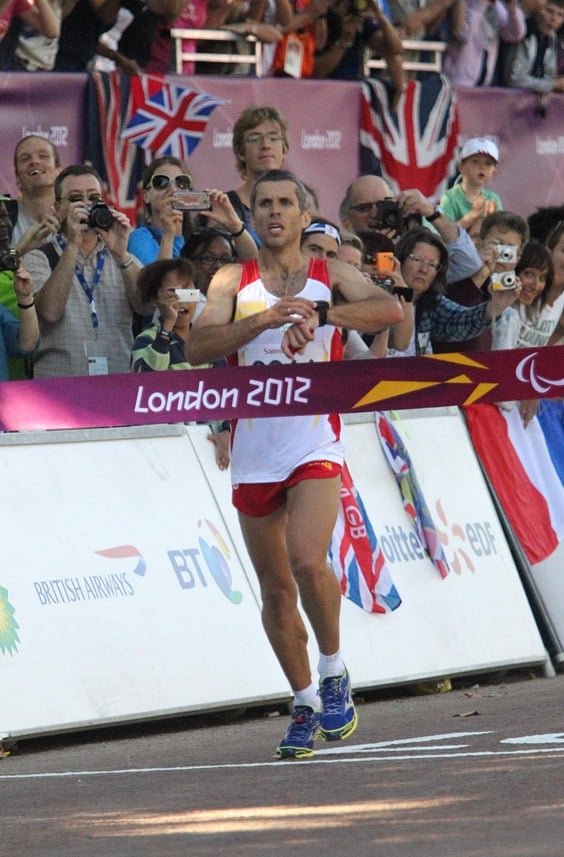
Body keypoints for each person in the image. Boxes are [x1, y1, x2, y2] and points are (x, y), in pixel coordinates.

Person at [186, 169, 403, 760]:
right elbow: (197, 347)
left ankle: (333, 670)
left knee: (308, 559)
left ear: (305, 215)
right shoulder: (232, 279)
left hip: (314, 441)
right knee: (276, 590)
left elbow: (388, 310)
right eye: (264, 203)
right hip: (254, 450)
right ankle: (304, 702)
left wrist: (324, 316)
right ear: (252, 214)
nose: (275, 211)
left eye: (286, 202)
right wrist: (261, 320)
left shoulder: (328, 273)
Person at [24, 163, 150, 378]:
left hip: (117, 384)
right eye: (75, 198)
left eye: (93, 198)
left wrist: (122, 255)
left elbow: (145, 306)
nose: (86, 205)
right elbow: (50, 313)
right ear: (57, 209)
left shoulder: (120, 255)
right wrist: (73, 244)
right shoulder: (38, 257)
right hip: (59, 386)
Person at [131, 257, 230, 469]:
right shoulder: (146, 339)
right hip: (164, 450)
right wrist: (166, 327)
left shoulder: (208, 341)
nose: (181, 300)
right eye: (172, 293)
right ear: (154, 299)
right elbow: (145, 383)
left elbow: (225, 396)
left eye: (188, 292)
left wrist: (227, 432)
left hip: (208, 451)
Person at [389, 225, 521, 356]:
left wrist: (495, 306)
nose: (423, 269)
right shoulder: (381, 293)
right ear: (399, 259)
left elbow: (461, 321)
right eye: (417, 259)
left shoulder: (431, 303)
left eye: (432, 265)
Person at [340, 176, 483, 285]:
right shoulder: (338, 254)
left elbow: (468, 264)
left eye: (383, 205)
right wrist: (376, 251)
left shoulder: (413, 254)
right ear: (347, 222)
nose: (375, 214)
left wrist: (432, 213)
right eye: (364, 208)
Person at [432, 209, 529, 353]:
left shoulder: (511, 301)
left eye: (509, 249)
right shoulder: (453, 273)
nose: (500, 253)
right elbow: (451, 316)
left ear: (517, 260)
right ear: (479, 242)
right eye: (497, 244)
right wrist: (482, 271)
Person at [226, 105, 289, 246]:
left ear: (284, 149)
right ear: (240, 152)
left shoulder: (298, 206)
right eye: (255, 138)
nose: (265, 145)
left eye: (273, 138)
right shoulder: (226, 206)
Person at [443, 0, 525, 87]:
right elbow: (462, 34)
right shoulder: (465, 4)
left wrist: (511, 6)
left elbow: (516, 34)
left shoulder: (497, 7)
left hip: (485, 81)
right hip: (458, 80)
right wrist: (479, 5)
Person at [11, 134, 61, 255]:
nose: (34, 161)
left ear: (58, 170)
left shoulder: (73, 217)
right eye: (25, 159)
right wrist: (18, 251)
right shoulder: (3, 216)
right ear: (17, 177)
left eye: (43, 156)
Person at [440, 137, 503, 232]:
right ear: (461, 167)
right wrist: (472, 216)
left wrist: (492, 221)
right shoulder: (449, 198)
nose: (482, 167)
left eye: (488, 163)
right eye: (475, 162)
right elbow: (445, 233)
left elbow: (500, 232)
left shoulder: (494, 198)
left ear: (494, 171)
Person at [502, 0, 564, 93]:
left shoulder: (552, 39)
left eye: (560, 15)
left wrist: (555, 84)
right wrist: (552, 85)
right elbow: (515, 78)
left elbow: (548, 75)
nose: (553, 18)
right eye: (549, 11)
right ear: (540, 11)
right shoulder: (524, 32)